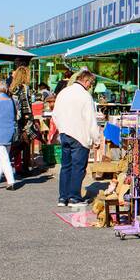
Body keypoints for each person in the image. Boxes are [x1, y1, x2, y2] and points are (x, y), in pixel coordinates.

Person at [51, 68, 101, 209]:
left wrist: (62, 128)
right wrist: (96, 139)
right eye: (90, 84)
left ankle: (63, 197)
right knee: (78, 168)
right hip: (79, 135)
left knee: (65, 166)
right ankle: (74, 197)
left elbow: (55, 115)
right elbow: (90, 119)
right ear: (85, 81)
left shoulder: (63, 93)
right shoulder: (85, 96)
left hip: (65, 133)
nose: (90, 87)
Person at [8, 65, 38, 174]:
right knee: (25, 143)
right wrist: (30, 120)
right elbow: (26, 106)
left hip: (14, 118)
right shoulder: (24, 88)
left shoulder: (12, 88)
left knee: (16, 141)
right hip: (23, 119)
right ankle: (24, 167)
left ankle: (16, 165)